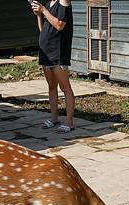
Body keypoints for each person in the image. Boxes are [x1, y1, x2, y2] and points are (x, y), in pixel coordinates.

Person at [31, 0, 75, 133]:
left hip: (58, 51)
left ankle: (69, 122)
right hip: (46, 52)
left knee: (65, 87)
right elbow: (43, 29)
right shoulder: (49, 3)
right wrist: (39, 15)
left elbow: (60, 25)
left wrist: (44, 10)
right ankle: (54, 118)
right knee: (51, 86)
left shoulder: (63, 1)